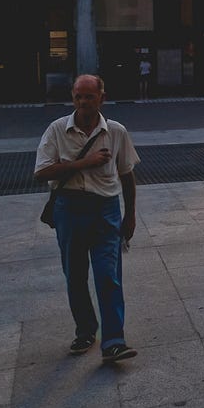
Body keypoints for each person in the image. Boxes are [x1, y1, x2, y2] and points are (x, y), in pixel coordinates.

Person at [35, 74, 141, 363]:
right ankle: (85, 330)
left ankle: (114, 341)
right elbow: (41, 172)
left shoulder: (116, 131)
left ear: (102, 98)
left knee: (108, 275)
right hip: (69, 209)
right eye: (78, 96)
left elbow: (127, 175)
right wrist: (85, 163)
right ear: (72, 98)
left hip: (106, 209)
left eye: (89, 96)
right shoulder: (57, 129)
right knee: (75, 275)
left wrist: (130, 216)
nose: (83, 102)